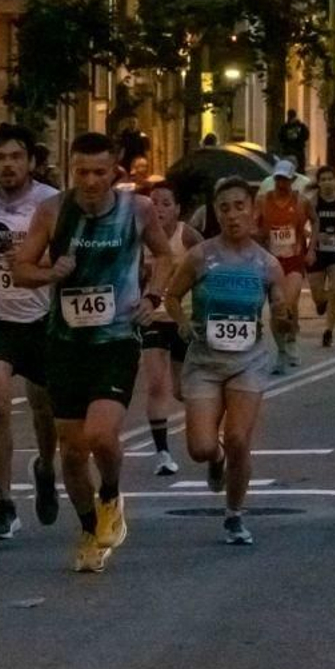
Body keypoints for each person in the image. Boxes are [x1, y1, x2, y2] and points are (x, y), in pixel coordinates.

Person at [11, 132, 172, 574]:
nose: (90, 180)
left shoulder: (136, 210)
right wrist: (48, 271)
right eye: (82, 171)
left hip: (116, 339)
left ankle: (112, 497)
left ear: (114, 170)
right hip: (64, 343)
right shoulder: (52, 211)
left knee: (101, 435)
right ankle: (87, 529)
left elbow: (165, 256)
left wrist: (152, 297)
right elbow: (20, 267)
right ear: (71, 169)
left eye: (99, 172)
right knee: (72, 452)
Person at [166, 177, 290, 546]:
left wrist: (283, 312)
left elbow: (281, 306)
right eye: (224, 208)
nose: (233, 215)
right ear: (215, 213)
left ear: (253, 211)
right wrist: (184, 323)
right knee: (201, 448)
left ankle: (235, 514)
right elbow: (172, 297)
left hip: (248, 361)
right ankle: (215, 459)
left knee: (238, 438)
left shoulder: (266, 263)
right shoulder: (201, 256)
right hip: (204, 361)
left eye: (240, 206)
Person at [0, 124, 61, 541]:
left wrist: (38, 269)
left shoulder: (50, 203)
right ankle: (3, 503)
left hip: (39, 319)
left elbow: (59, 256)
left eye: (16, 157)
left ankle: (44, 465)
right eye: (1, 157)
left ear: (31, 162)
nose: (8, 165)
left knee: (44, 409)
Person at [139, 181, 201, 475]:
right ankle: (162, 452)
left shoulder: (185, 235)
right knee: (155, 384)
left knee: (181, 390)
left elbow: (209, 261)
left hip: (181, 320)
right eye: (154, 203)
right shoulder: (138, 237)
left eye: (166, 203)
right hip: (152, 320)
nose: (159, 209)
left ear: (177, 209)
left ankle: (212, 427)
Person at [257, 159, 310, 373]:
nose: (281, 183)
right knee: (277, 308)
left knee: (288, 302)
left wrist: (312, 247)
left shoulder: (300, 201)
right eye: (278, 178)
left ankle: (291, 340)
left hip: (294, 259)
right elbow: (254, 224)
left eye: (285, 179)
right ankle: (281, 350)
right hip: (271, 261)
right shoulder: (262, 200)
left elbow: (315, 221)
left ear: (292, 180)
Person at [306, 166, 335, 348]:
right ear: (319, 183)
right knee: (319, 296)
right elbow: (303, 227)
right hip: (318, 251)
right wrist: (314, 236)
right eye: (323, 179)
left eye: (330, 178)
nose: (327, 182)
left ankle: (328, 331)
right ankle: (320, 303)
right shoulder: (312, 202)